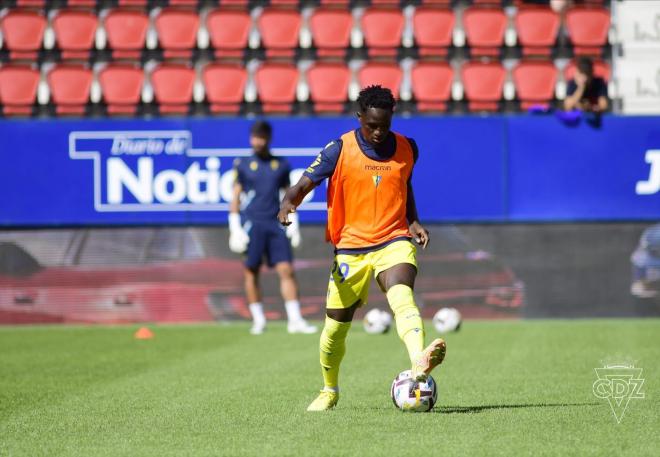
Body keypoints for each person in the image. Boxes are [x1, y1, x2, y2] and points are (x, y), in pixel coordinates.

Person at [278, 85, 446, 411]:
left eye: (384, 124)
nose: (379, 131)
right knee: (334, 331)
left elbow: (404, 184)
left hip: (393, 239)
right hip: (351, 248)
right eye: (371, 125)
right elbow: (304, 183)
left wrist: (412, 222)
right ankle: (329, 390)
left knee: (402, 296)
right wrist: (287, 203)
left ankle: (418, 363)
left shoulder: (408, 148)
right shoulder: (339, 148)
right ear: (360, 118)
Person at [229, 120, 317, 335]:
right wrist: (234, 227)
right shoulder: (242, 164)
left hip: (275, 222)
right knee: (251, 272)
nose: (257, 142)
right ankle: (258, 320)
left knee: (286, 270)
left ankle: (295, 320)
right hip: (252, 223)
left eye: (260, 137)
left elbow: (289, 194)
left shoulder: (281, 164)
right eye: (254, 137)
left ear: (268, 139)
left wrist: (294, 223)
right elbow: (236, 196)